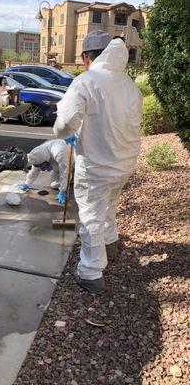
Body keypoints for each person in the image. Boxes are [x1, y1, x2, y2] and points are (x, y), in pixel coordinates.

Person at [53, 30, 142, 294]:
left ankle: (91, 273)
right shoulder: (129, 84)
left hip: (96, 166)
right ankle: (111, 244)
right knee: (110, 204)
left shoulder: (86, 81)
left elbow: (66, 124)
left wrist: (65, 135)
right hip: (123, 163)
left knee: (91, 215)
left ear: (86, 58)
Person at [20, 139, 68, 204]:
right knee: (54, 185)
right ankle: (67, 181)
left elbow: (64, 171)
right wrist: (27, 183)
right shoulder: (39, 155)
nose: (42, 169)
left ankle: (72, 176)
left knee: (67, 176)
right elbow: (34, 171)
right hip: (57, 166)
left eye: (42, 166)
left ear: (46, 161)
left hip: (70, 164)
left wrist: (62, 191)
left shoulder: (58, 153)